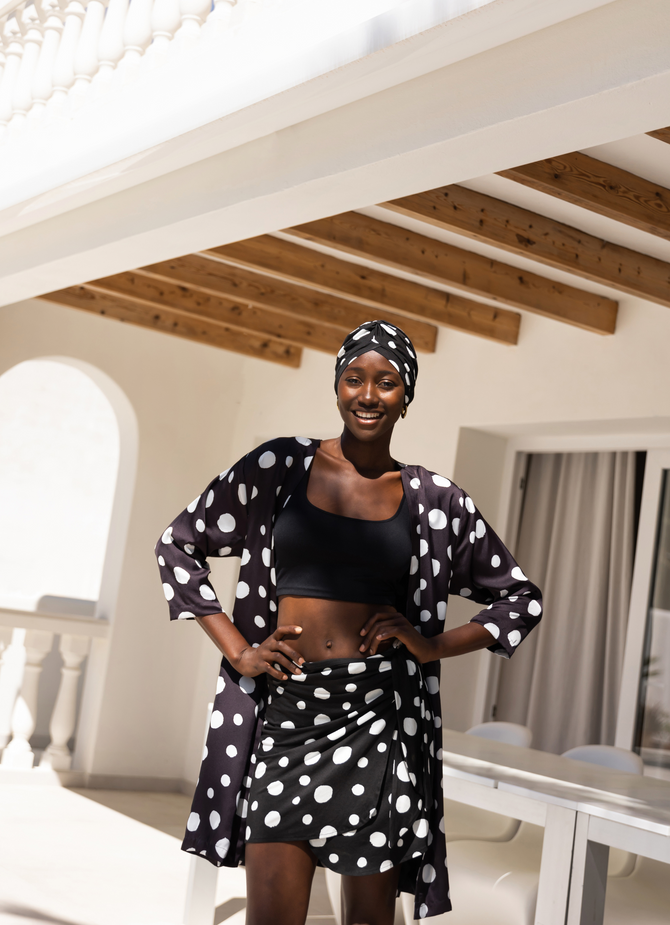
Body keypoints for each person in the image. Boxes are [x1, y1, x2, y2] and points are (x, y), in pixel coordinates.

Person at [155, 320, 542, 925]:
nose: (368, 395)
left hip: (379, 725)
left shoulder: (434, 499)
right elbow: (178, 545)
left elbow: (520, 600)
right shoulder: (278, 466)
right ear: (337, 387)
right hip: (284, 718)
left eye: (387, 382)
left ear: (406, 397)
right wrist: (238, 651)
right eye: (354, 378)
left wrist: (431, 646)